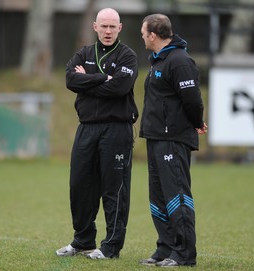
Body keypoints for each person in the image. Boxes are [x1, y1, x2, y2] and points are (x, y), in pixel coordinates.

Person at [56, 8, 139, 260]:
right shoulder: (83, 53)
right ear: (95, 27)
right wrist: (103, 78)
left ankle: (111, 247)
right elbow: (71, 80)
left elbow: (120, 87)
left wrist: (88, 81)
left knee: (114, 189)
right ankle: (82, 240)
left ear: (120, 28)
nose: (107, 31)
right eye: (103, 26)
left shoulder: (128, 55)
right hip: (87, 128)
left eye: (112, 26)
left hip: (116, 129)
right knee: (79, 184)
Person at [138, 14, 208, 267]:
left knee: (176, 194)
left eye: (144, 32)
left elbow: (192, 100)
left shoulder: (179, 61)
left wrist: (197, 122)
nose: (142, 36)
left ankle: (185, 253)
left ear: (153, 35)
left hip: (173, 139)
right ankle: (165, 248)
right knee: (158, 196)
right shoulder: (159, 60)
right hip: (156, 137)